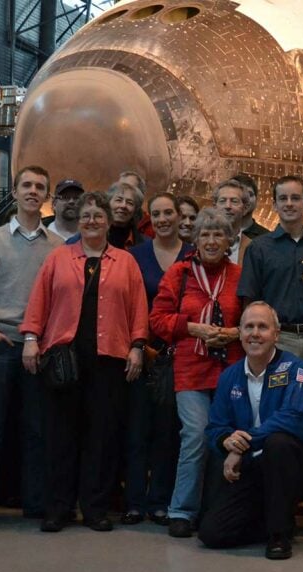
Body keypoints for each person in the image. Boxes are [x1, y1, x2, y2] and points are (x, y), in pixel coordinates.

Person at [20, 191, 149, 533]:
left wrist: (137, 346)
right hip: (64, 358)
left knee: (101, 437)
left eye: (98, 215)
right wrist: (31, 339)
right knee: (60, 435)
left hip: (109, 359)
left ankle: (95, 508)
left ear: (109, 221)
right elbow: (39, 302)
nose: (92, 221)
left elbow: (139, 308)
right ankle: (58, 507)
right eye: (86, 216)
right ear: (79, 221)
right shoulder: (58, 258)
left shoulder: (126, 262)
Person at [237, 175, 303, 540]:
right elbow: (250, 303)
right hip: (275, 342)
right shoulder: (261, 249)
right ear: (275, 202)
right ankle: (270, 504)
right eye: (282, 198)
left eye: (296, 198)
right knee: (272, 421)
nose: (289, 204)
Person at [0, 165, 63, 527]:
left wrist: (43, 339)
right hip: (1, 343)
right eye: (26, 185)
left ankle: (34, 501)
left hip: (39, 347)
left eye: (40, 186)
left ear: (46, 197)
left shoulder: (58, 247)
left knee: (36, 429)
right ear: (14, 191)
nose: (32, 191)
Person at [198, 302, 303, 560]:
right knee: (211, 534)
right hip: (251, 467)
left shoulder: (297, 369)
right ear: (240, 334)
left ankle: (279, 535)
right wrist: (227, 442)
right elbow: (215, 427)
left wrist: (245, 444)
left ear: (276, 334)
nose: (255, 333)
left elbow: (293, 418)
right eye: (249, 327)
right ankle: (270, 520)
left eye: (262, 327)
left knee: (278, 442)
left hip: (294, 464)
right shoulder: (229, 376)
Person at [150, 208, 244, 538]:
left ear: (229, 240)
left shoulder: (239, 274)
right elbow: (157, 320)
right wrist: (192, 328)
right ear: (196, 239)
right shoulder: (180, 273)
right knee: (195, 435)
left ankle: (217, 511)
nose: (211, 240)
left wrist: (233, 333)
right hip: (189, 370)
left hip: (230, 369)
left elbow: (252, 321)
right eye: (205, 234)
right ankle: (182, 510)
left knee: (227, 440)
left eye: (218, 234)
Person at [124, 193, 192, 526]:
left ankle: (161, 500)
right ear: (149, 219)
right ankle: (134, 500)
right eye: (157, 214)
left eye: (169, 212)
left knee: (169, 432)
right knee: (137, 429)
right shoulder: (134, 257)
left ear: (180, 216)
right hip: (141, 353)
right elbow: (129, 305)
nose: (163, 219)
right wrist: (138, 344)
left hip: (182, 355)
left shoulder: (193, 255)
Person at [212, 179, 254, 264]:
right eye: (222, 201)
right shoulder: (200, 244)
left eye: (234, 201)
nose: (228, 206)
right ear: (214, 207)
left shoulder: (254, 247)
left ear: (245, 209)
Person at [230, 173, 271, 240]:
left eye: (249, 194)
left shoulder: (267, 238)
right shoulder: (213, 233)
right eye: (238, 194)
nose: (244, 199)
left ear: (256, 199)